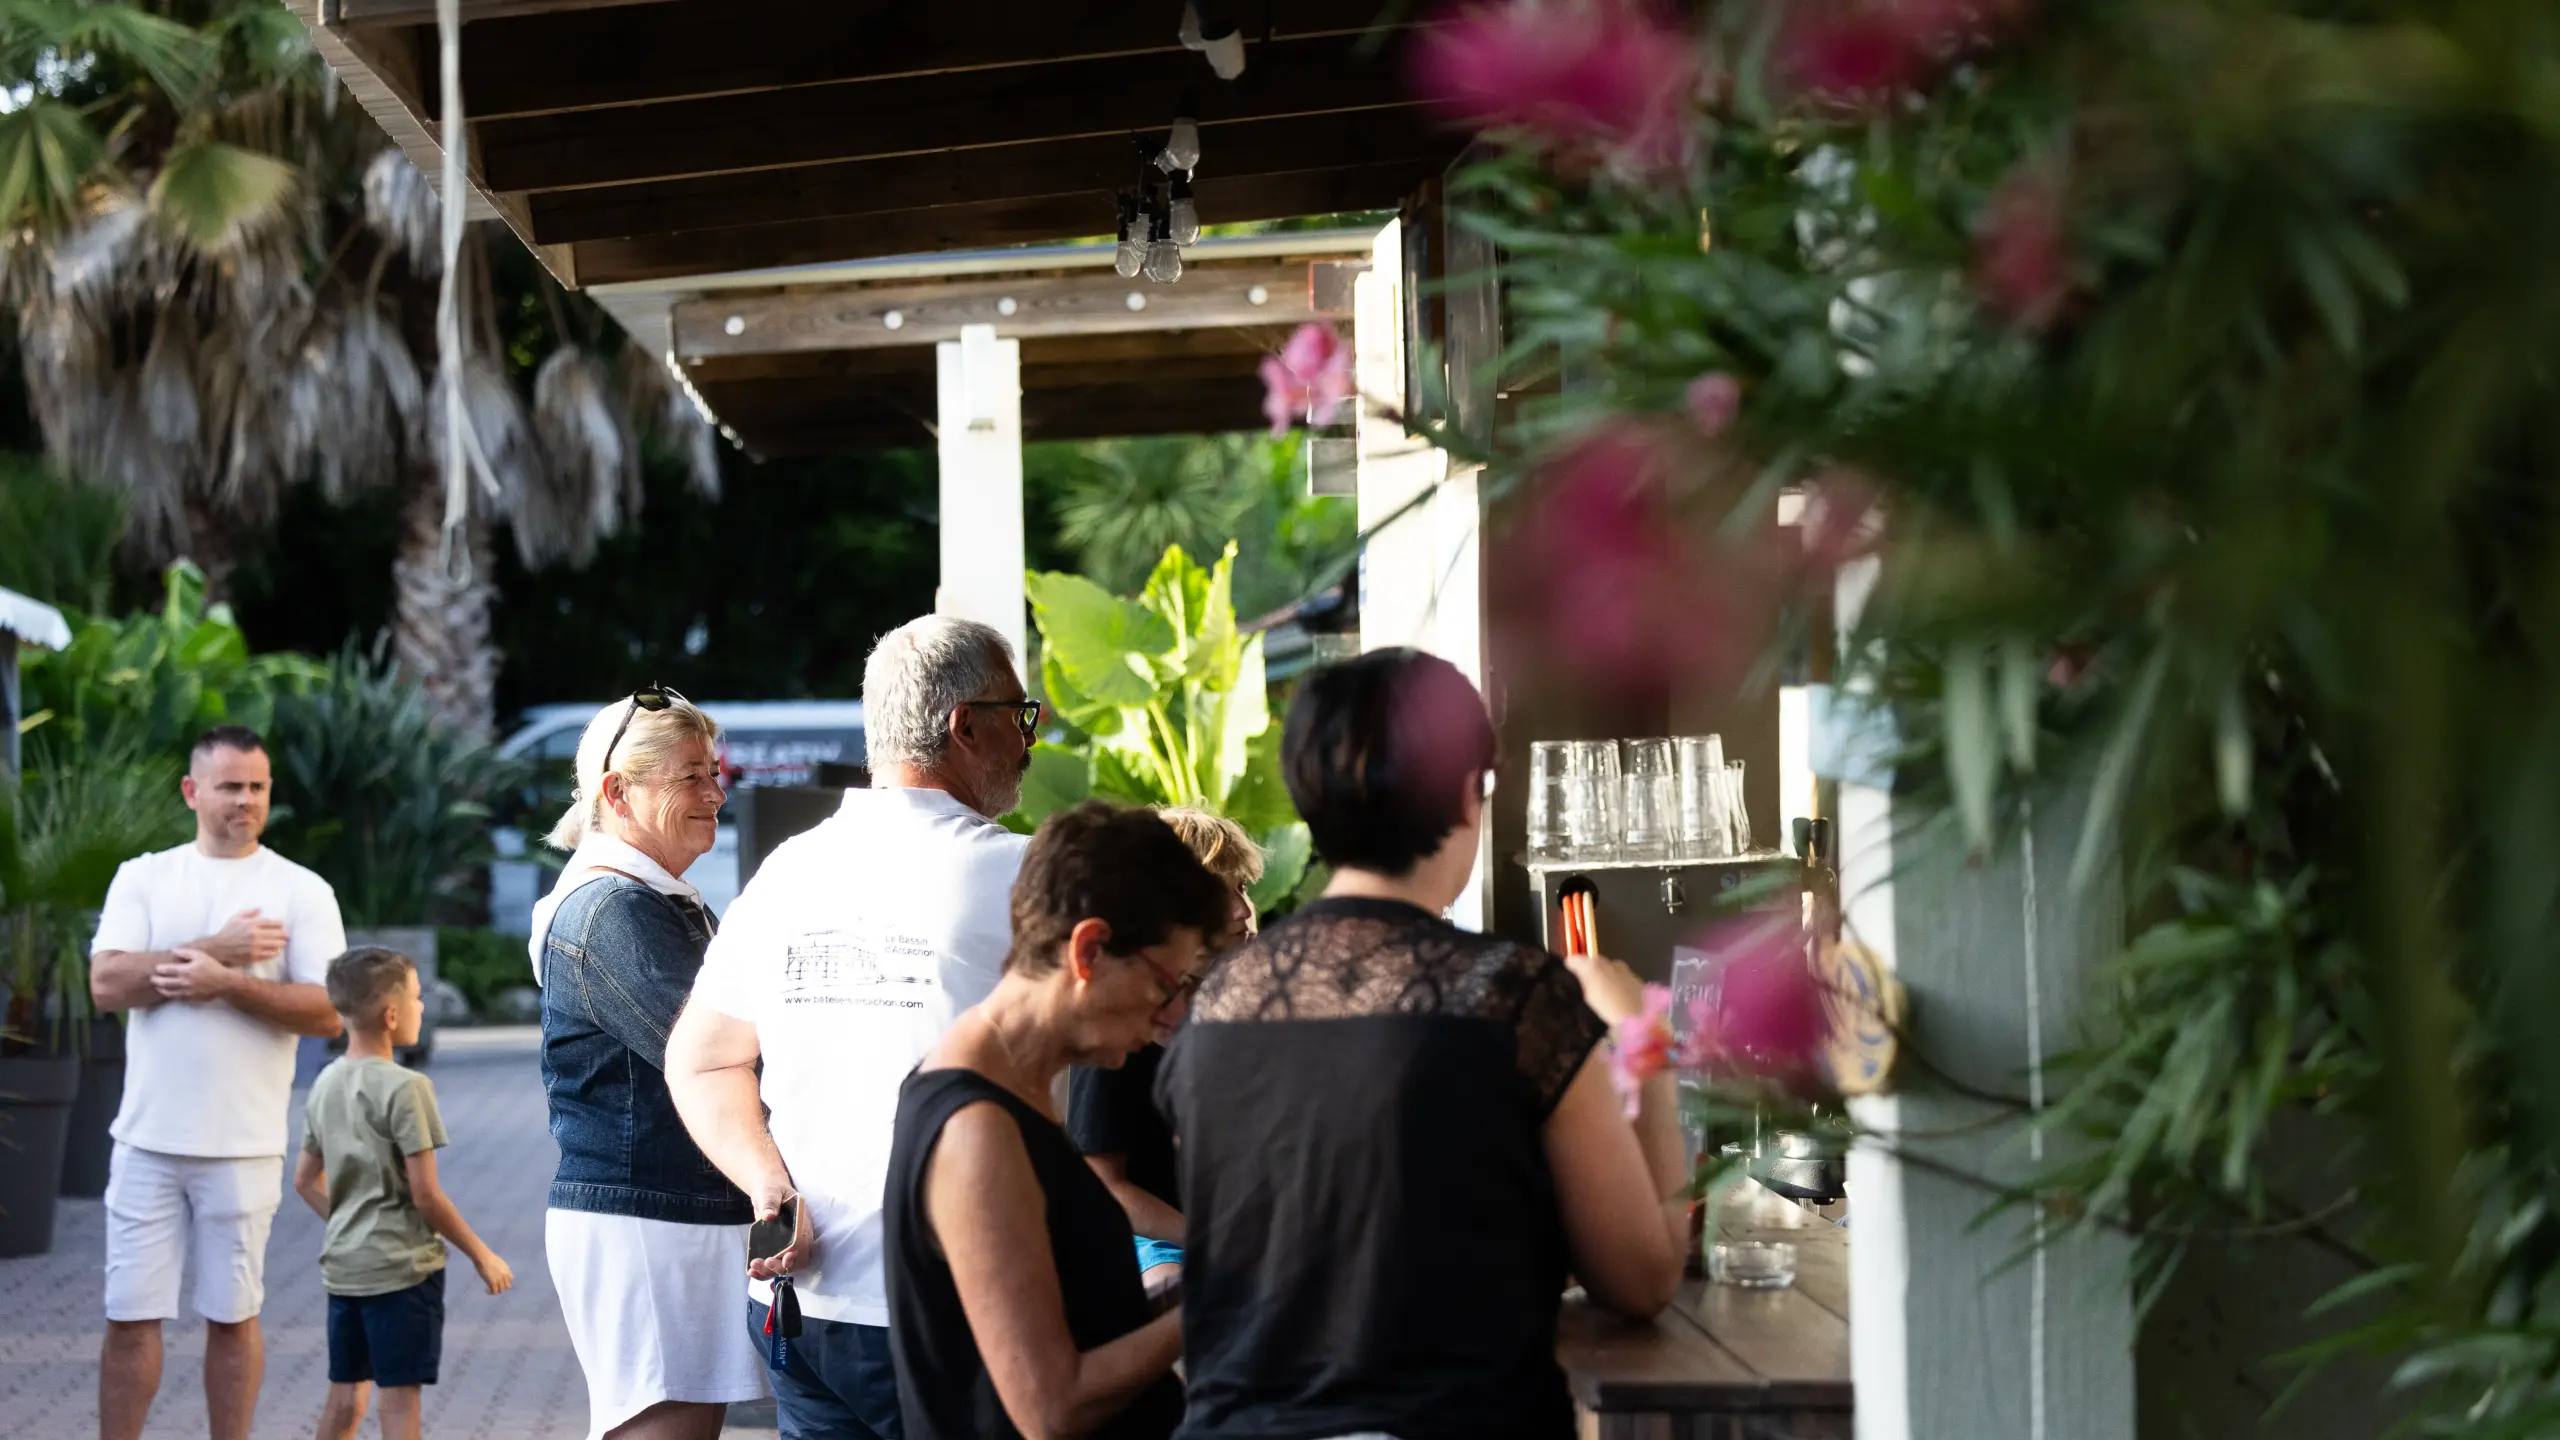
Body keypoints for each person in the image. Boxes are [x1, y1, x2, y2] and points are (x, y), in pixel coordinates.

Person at [1157, 649, 1690, 1440]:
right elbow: (1642, 1279)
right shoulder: (1513, 997)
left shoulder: (1218, 1005)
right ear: (1469, 792)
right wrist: (1644, 1036)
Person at [667, 615, 1038, 1439]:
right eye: (1020, 715)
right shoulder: (1019, 878)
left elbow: (700, 1062)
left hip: (801, 1310)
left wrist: (770, 1185)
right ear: (964, 725)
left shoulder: (791, 868)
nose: (1027, 741)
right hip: (953, 1309)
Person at [883, 801, 1230, 1440]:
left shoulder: (1008, 1089)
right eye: (1166, 984)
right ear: (1089, 949)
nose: (1174, 1015)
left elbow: (1068, 1313)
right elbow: (1049, 1406)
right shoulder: (978, 1128)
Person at [87, 725, 348, 1440]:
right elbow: (107, 982)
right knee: (129, 1314)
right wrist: (212, 950)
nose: (246, 800)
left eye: (257, 787)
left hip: (244, 1144)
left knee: (234, 1315)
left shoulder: (301, 890)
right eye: (230, 786)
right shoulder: (145, 876)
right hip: (144, 1141)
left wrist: (225, 983)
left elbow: (329, 1011)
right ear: (192, 791)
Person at [533, 686, 768, 1440]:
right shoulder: (613, 909)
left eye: (714, 772)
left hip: (669, 1218)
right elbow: (713, 1052)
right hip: (647, 1223)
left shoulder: (650, 898)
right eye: (692, 776)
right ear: (616, 792)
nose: (715, 792)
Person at [293, 948, 515, 1440]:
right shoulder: (407, 1088)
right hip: (401, 1272)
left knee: (345, 1394)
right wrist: (482, 1255)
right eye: (417, 998)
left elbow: (304, 1181)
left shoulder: (326, 1081)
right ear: (392, 1016)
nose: (421, 1007)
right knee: (399, 1402)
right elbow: (426, 1196)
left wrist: (349, 1223)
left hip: (345, 1268)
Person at [1065, 808, 1261, 1297]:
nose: (1243, 910)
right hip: (1156, 1237)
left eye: (1243, 890)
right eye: (1226, 891)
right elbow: (1104, 1186)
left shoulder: (1241, 997)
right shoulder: (1126, 1023)